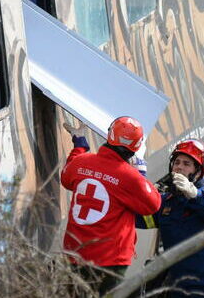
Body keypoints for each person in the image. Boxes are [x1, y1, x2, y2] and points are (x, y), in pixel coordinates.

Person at [60, 116, 161, 295]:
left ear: (110, 135)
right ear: (136, 148)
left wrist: (80, 145)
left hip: (75, 254)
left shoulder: (80, 162)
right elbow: (153, 205)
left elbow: (67, 178)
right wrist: (141, 174)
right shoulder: (129, 177)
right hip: (110, 260)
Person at [137, 139, 204, 298]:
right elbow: (139, 217)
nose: (179, 167)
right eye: (177, 162)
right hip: (180, 288)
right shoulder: (165, 202)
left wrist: (194, 193)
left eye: (187, 164)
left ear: (197, 171)